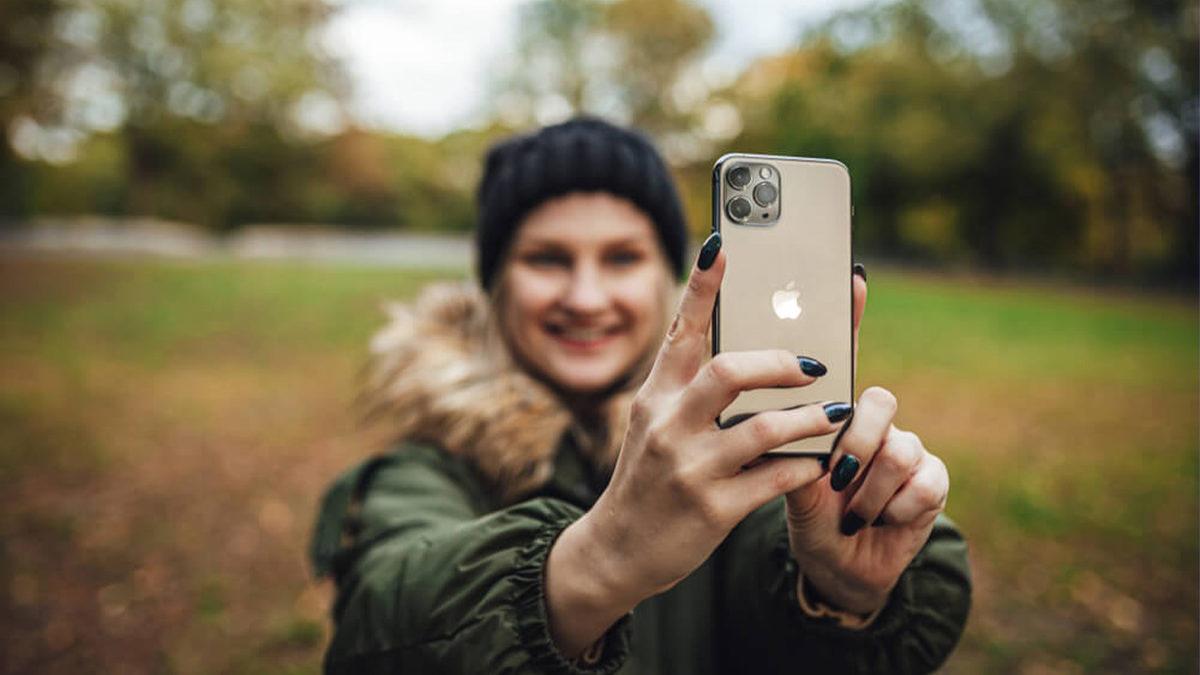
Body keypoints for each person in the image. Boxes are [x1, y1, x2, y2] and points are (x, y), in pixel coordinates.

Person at [309, 117, 971, 674]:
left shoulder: (744, 440)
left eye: (622, 257)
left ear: (668, 278)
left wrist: (838, 590)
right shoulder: (425, 469)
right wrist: (602, 559)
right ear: (496, 282)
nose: (586, 297)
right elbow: (377, 625)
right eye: (547, 258)